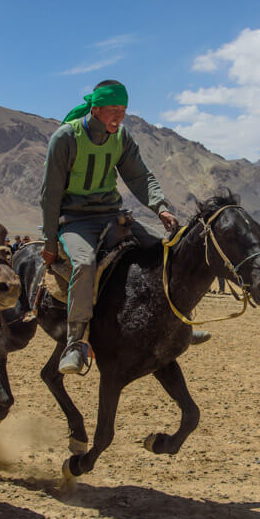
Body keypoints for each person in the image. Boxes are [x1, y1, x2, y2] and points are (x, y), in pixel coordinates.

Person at [40, 79, 184, 374]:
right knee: (84, 263)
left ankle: (178, 322)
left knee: (164, 251)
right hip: (76, 220)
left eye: (123, 110)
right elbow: (50, 193)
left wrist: (161, 207)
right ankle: (75, 343)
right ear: (96, 108)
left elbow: (140, 176)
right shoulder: (66, 138)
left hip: (112, 214)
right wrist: (50, 241)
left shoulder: (122, 137)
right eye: (113, 110)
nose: (119, 116)